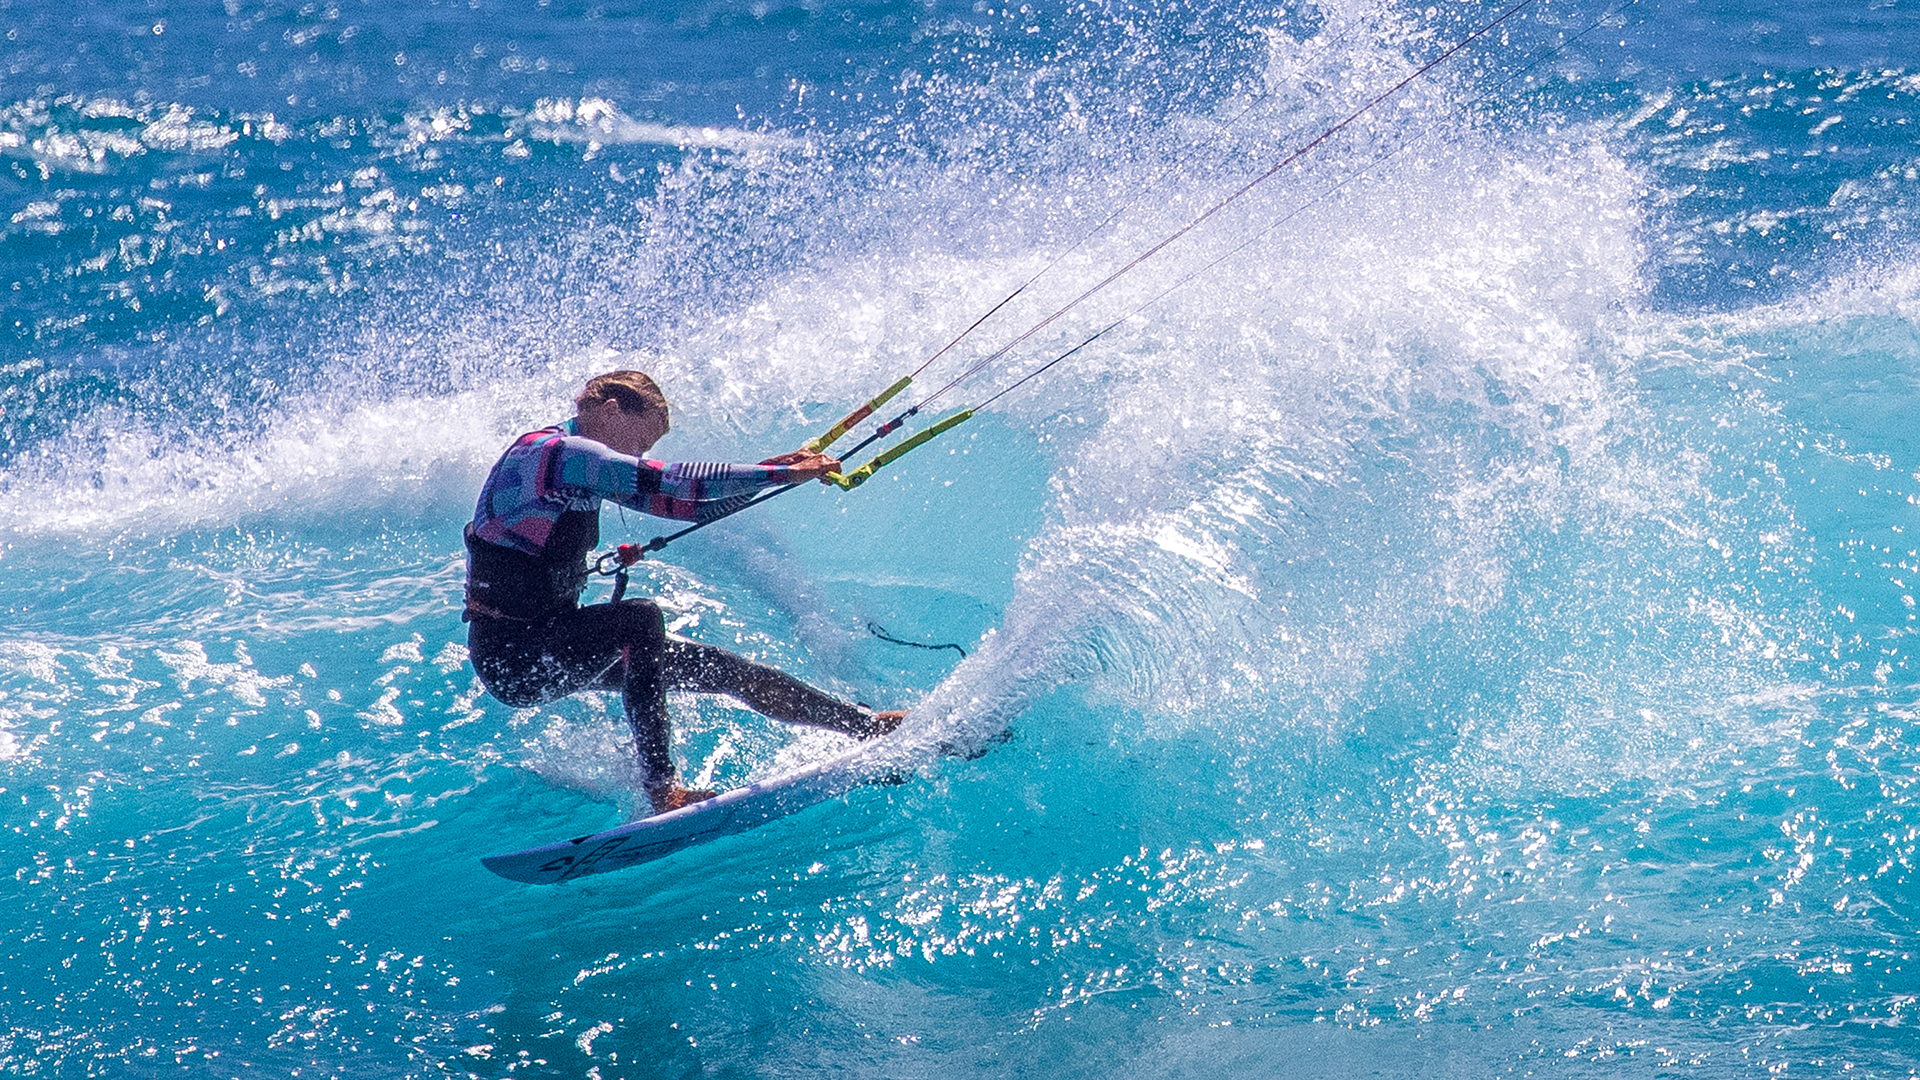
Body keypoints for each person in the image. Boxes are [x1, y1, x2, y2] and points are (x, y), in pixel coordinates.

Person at [464, 371, 904, 814]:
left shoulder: (584, 469)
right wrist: (777, 472)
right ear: (611, 409)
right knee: (641, 619)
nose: (641, 454)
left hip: (553, 643)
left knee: (719, 668)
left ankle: (864, 725)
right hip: (514, 658)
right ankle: (661, 788)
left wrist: (775, 474)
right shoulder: (555, 453)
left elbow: (685, 504)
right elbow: (671, 480)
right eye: (642, 441)